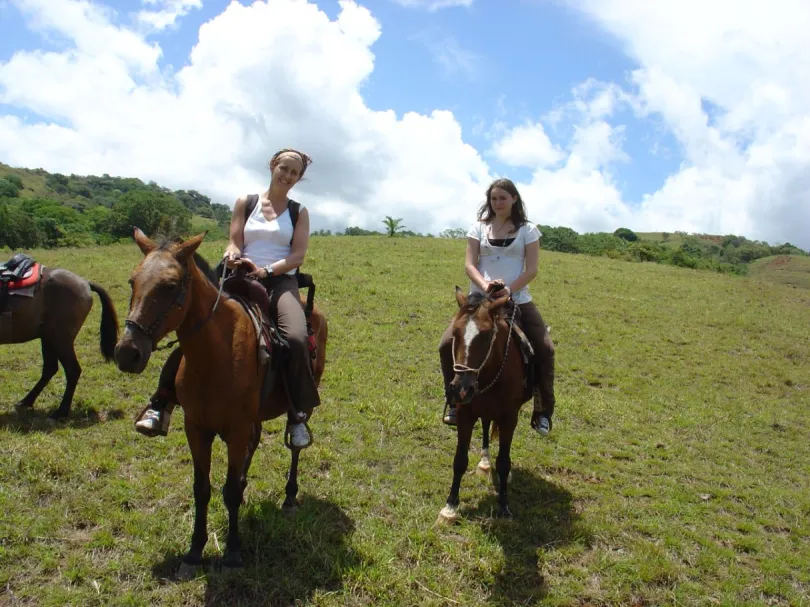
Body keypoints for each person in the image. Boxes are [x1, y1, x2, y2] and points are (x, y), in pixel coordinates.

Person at [133, 148, 321, 449]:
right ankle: (162, 402)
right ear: (273, 166)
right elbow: (235, 241)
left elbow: (298, 254)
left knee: (297, 337)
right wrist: (232, 255)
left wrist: (266, 270)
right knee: (196, 329)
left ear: (298, 179)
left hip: (279, 281)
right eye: (283, 168)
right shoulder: (246, 203)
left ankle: (297, 414)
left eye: (293, 173)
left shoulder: (299, 212)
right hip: (237, 277)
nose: (286, 175)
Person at [438, 178, 556, 435]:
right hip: (478, 301)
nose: (498, 203)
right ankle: (455, 402)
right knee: (446, 344)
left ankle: (543, 410)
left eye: (503, 198)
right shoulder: (478, 228)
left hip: (518, 300)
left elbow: (532, 269)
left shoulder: (528, 230)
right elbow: (470, 264)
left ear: (514, 199)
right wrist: (485, 285)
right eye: (493, 198)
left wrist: (508, 289)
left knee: (545, 349)